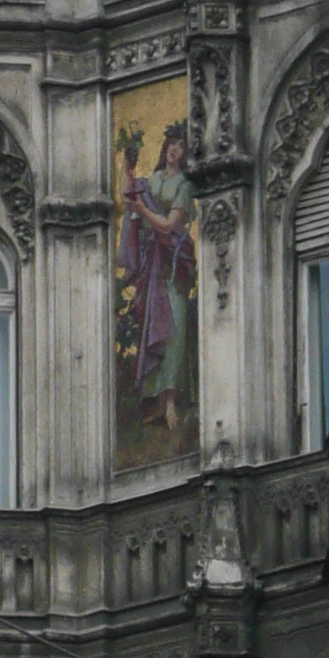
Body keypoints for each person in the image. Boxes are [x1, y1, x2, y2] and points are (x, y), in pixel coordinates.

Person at [118, 121, 198, 433]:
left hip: (173, 261)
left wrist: (142, 208)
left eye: (179, 146)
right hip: (153, 262)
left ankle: (170, 402)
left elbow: (168, 225)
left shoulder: (185, 185)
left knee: (174, 329)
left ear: (185, 153)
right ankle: (153, 402)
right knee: (154, 327)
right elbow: (131, 196)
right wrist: (128, 165)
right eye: (170, 144)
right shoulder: (153, 180)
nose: (173, 150)